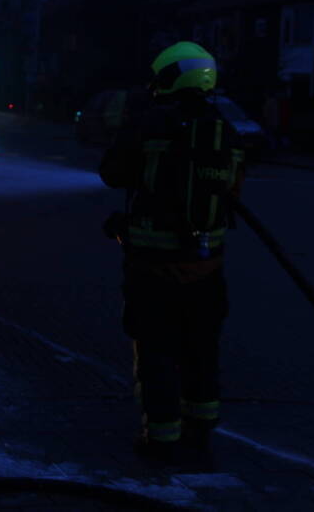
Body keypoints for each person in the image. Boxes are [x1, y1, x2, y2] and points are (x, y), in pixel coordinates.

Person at [99, 41, 245, 463]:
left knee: (157, 350)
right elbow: (233, 193)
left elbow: (112, 173)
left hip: (153, 268)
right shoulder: (225, 129)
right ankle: (200, 433)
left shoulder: (149, 124)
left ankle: (160, 439)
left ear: (168, 77)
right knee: (202, 349)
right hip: (207, 267)